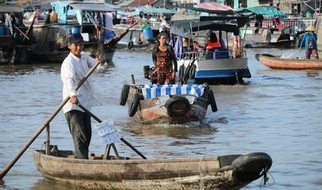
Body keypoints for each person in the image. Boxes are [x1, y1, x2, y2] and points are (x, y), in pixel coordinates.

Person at [61, 33, 105, 159]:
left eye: (81, 45)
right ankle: (82, 161)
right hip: (73, 104)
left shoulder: (84, 57)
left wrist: (101, 62)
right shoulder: (68, 62)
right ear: (69, 46)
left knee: (87, 135)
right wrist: (73, 95)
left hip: (85, 103)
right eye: (76, 45)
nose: (79, 48)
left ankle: (83, 158)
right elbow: (68, 80)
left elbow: (98, 67)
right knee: (79, 136)